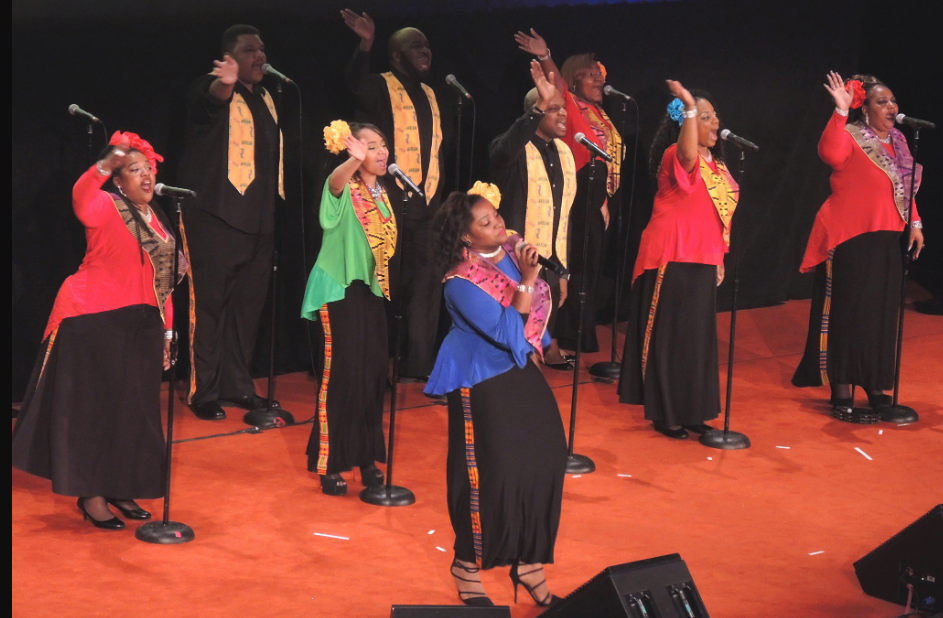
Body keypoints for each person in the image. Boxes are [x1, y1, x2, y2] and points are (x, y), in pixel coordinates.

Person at [12, 132, 178, 529]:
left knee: (134, 413)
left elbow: (165, 282)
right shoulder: (105, 205)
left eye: (149, 169)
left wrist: (168, 334)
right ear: (119, 181)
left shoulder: (159, 219)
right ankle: (93, 495)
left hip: (142, 325)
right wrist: (107, 161)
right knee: (97, 414)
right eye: (135, 170)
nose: (145, 176)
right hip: (94, 318)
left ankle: (122, 485)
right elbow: (82, 194)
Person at [426, 185, 566, 608]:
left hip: (519, 366)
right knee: (490, 474)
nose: (498, 225)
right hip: (480, 377)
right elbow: (507, 332)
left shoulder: (510, 251)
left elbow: (537, 310)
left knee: (548, 455)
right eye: (485, 222)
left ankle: (528, 562)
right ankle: (466, 565)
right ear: (467, 236)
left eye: (496, 216)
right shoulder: (458, 282)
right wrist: (526, 280)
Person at [792, 72, 924, 415]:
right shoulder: (850, 135)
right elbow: (830, 155)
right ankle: (842, 390)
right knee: (848, 313)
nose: (891, 106)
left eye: (893, 100)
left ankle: (877, 386)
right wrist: (840, 110)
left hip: (890, 236)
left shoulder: (899, 142)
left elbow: (904, 190)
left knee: (881, 314)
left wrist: (916, 223)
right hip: (850, 236)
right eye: (882, 101)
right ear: (865, 110)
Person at [177, 24, 284, 421]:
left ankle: (238, 385)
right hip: (215, 216)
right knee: (208, 307)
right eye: (250, 49)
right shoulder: (209, 87)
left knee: (246, 310)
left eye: (262, 48)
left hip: (258, 220)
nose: (261, 55)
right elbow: (210, 102)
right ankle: (202, 390)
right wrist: (224, 84)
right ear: (230, 57)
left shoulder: (268, 97)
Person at [618, 81, 734, 440]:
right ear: (685, 122)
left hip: (703, 257)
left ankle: (694, 410)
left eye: (715, 117)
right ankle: (667, 413)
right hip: (671, 254)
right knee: (669, 338)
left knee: (696, 341)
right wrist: (687, 106)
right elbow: (687, 157)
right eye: (705, 117)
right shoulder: (675, 154)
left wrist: (719, 257)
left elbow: (720, 216)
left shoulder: (720, 166)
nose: (715, 124)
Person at [342, 9, 450, 380]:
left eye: (427, 45)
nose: (425, 50)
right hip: (388, 203)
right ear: (396, 55)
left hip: (428, 204)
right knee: (383, 284)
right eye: (415, 45)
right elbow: (354, 85)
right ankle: (375, 365)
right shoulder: (380, 85)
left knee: (425, 285)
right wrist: (365, 45)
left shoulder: (434, 94)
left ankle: (418, 364)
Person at [300, 121, 396, 496]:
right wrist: (352, 162)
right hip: (338, 289)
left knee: (371, 375)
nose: (380, 151)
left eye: (382, 144)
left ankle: (367, 456)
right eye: (371, 146)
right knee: (340, 376)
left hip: (370, 290)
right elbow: (337, 183)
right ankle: (330, 461)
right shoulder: (342, 187)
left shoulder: (384, 193)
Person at [516, 28, 622, 353]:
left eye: (599, 73)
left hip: (598, 197)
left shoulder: (600, 113)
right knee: (576, 268)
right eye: (590, 74)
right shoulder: (570, 106)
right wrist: (546, 55)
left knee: (589, 270)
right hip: (581, 196)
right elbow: (553, 87)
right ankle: (571, 336)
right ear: (573, 81)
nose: (599, 79)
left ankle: (576, 332)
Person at [489, 60, 577, 370]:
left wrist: (562, 270)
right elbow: (501, 151)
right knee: (520, 315)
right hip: (515, 255)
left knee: (548, 307)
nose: (563, 113)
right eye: (554, 108)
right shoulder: (516, 149)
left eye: (562, 107)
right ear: (535, 112)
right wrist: (540, 104)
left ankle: (544, 350)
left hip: (550, 254)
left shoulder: (564, 152)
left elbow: (563, 214)